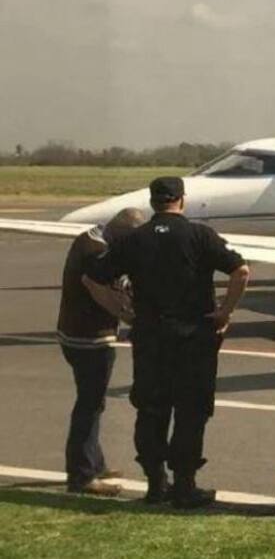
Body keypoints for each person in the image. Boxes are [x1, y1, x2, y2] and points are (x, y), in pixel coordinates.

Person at [86, 176, 250, 508]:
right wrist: (225, 311)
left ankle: (155, 482)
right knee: (191, 412)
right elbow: (241, 271)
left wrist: (123, 312)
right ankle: (185, 484)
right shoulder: (200, 235)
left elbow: (92, 279)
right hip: (193, 338)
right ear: (182, 200)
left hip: (151, 337)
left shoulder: (134, 239)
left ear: (152, 202)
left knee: (151, 410)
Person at [58, 208, 145, 496]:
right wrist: (130, 317)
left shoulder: (91, 238)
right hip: (89, 337)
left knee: (93, 402)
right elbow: (98, 289)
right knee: (90, 404)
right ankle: (81, 475)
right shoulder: (98, 251)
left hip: (74, 331)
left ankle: (94, 462)